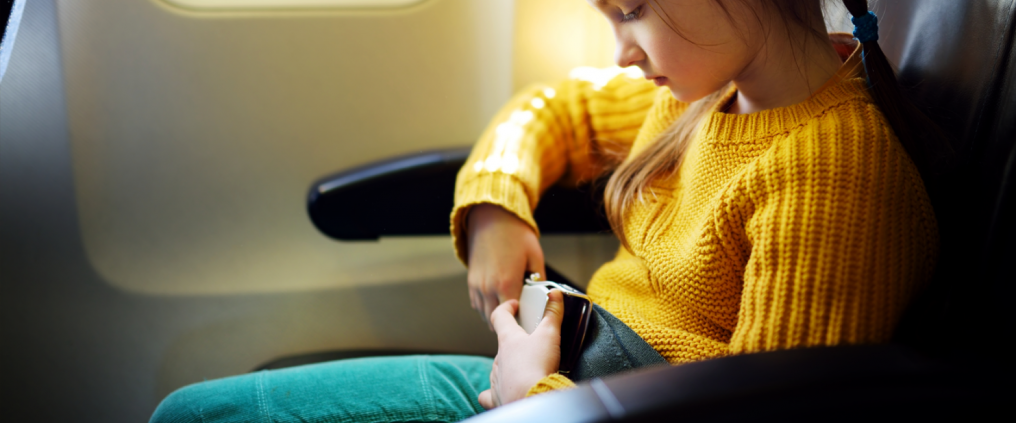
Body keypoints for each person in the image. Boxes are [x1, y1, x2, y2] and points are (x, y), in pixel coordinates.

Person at [150, 0, 940, 421]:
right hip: (558, 379)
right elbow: (550, 107)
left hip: (582, 402)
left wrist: (535, 396)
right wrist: (498, 202)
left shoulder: (833, 173)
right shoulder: (708, 100)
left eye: (631, 9)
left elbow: (772, 416)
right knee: (194, 412)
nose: (622, 49)